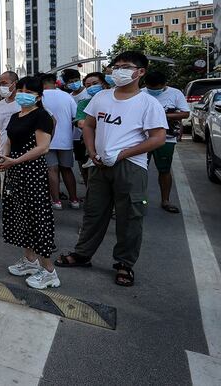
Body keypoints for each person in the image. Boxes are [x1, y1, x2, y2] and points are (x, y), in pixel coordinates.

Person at [56, 51, 167, 287]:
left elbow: (157, 138)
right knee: (94, 213)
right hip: (99, 164)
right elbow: (89, 126)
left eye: (125, 66)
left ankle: (124, 264)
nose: (118, 70)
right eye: (115, 66)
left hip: (130, 167)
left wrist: (122, 154)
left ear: (140, 72)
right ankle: (82, 254)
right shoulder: (102, 98)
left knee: (130, 217)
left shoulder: (148, 103)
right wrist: (92, 151)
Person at [0, 76, 58, 289]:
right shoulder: (15, 115)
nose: (23, 94)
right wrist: (3, 158)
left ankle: (49, 271)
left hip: (32, 173)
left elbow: (43, 147)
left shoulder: (42, 116)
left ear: (39, 96)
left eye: (29, 92)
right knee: (20, 217)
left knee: (37, 220)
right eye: (20, 89)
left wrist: (14, 161)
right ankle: (30, 262)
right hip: (15, 172)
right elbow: (8, 142)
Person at [142, 71, 190, 213]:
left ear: (164, 84)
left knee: (164, 169)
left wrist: (162, 114)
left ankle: (165, 200)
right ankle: (140, 201)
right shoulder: (141, 93)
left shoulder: (175, 93)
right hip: (142, 138)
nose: (153, 91)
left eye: (156, 88)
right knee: (139, 171)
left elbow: (185, 113)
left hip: (166, 139)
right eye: (151, 88)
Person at [40, 73, 79, 210]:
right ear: (54, 82)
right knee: (67, 170)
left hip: (46, 140)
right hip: (66, 140)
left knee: (52, 170)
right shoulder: (67, 96)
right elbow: (76, 117)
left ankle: (56, 201)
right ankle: (74, 199)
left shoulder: (40, 97)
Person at [0, 71, 22, 197]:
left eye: (4, 83)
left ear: (15, 84)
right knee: (7, 189)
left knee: (22, 188)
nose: (1, 87)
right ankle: (10, 215)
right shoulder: (0, 105)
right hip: (4, 153)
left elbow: (51, 121)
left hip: (22, 153)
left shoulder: (25, 102)